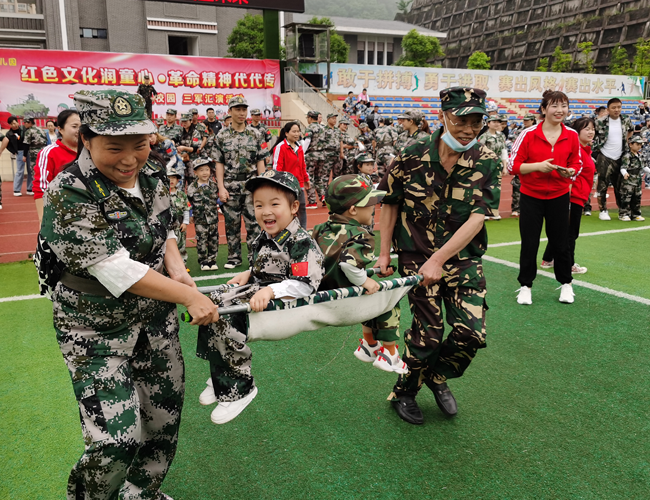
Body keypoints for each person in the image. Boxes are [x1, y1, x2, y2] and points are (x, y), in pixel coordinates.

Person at [40, 89, 219, 500]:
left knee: (161, 423)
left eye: (139, 145)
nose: (128, 159)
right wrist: (186, 295)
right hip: (95, 332)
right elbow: (115, 269)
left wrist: (176, 264)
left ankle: (141, 494)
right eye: (113, 147)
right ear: (86, 139)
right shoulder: (69, 190)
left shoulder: (153, 174)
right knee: (115, 440)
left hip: (154, 323)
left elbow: (165, 225)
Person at [377, 86, 500, 425]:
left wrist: (440, 259)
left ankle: (436, 375)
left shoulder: (486, 159)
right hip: (416, 257)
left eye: (477, 121)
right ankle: (405, 390)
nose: (469, 129)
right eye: (462, 119)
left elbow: (478, 217)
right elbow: (390, 203)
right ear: (443, 115)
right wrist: (384, 254)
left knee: (471, 334)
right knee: (427, 334)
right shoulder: (411, 153)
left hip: (462, 259)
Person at [196, 170, 324, 424]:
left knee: (226, 312)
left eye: (274, 204)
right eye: (259, 205)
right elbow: (264, 267)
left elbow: (305, 285)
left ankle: (240, 388)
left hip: (283, 300)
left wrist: (270, 291)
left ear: (294, 206)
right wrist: (247, 273)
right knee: (213, 299)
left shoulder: (300, 242)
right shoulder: (264, 237)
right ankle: (222, 369)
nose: (266, 211)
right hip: (260, 289)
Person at [312, 175, 407, 373]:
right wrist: (365, 281)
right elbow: (348, 265)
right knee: (388, 299)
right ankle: (390, 354)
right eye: (370, 203)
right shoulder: (361, 235)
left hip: (320, 296)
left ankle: (369, 345)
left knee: (370, 295)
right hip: (343, 299)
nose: (374, 208)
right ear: (353, 209)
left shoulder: (319, 229)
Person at [508, 90, 581, 305]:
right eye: (554, 106)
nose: (560, 111)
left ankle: (566, 284)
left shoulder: (572, 135)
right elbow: (512, 165)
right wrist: (537, 167)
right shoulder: (528, 134)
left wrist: (570, 172)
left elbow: (577, 163)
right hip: (531, 196)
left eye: (564, 106)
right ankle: (525, 286)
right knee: (529, 243)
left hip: (559, 196)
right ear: (543, 109)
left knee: (561, 243)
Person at [214, 96, 267, 269]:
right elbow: (219, 163)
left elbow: (261, 161)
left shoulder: (256, 134)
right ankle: (234, 258)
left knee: (255, 224)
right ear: (230, 111)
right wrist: (221, 187)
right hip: (230, 186)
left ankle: (255, 258)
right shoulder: (221, 136)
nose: (241, 113)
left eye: (244, 109)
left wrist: (263, 185)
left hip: (252, 186)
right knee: (232, 225)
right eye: (237, 109)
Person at [540, 117, 596, 274]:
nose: (591, 132)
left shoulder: (585, 150)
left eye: (592, 128)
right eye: (587, 129)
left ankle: (548, 259)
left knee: (562, 230)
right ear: (577, 131)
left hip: (578, 196)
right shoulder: (575, 150)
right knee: (570, 233)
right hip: (572, 196)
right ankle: (568, 264)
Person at [33, 110, 80, 221]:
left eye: (82, 126)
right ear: (60, 129)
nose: (79, 130)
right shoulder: (49, 153)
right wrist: (43, 221)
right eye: (75, 126)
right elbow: (41, 188)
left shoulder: (91, 151)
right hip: (61, 214)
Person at [593, 98, 634, 220]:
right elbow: (594, 134)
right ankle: (603, 210)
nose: (617, 110)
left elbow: (631, 131)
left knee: (620, 185)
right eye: (614, 107)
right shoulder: (600, 121)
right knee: (602, 184)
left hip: (621, 155)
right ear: (608, 109)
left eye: (619, 107)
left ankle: (623, 211)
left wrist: (625, 141)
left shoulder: (626, 119)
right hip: (605, 155)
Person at [272, 121, 310, 228]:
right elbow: (277, 168)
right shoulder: (281, 147)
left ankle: (303, 230)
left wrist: (306, 179)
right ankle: (286, 230)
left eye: (298, 131)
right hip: (286, 185)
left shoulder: (300, 148)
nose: (297, 134)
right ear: (286, 133)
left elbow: (302, 165)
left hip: (299, 184)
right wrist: (278, 184)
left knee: (301, 207)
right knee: (288, 209)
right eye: (294, 131)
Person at [187, 158, 221, 270]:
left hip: (213, 219)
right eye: (201, 170)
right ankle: (203, 261)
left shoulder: (214, 186)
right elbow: (189, 203)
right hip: (200, 219)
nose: (205, 173)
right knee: (201, 240)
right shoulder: (192, 188)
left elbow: (218, 200)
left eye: (207, 169)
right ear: (195, 172)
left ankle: (212, 260)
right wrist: (190, 215)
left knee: (213, 240)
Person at [305, 113, 341, 208]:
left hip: (311, 155)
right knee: (319, 178)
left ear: (310, 118)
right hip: (322, 155)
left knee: (310, 177)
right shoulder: (323, 128)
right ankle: (323, 197)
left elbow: (307, 141)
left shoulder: (310, 127)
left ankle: (312, 201)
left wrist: (302, 153)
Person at [478, 115, 508, 220]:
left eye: (498, 122)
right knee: (484, 186)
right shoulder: (483, 137)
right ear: (488, 123)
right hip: (486, 163)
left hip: (497, 162)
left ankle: (494, 211)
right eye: (494, 121)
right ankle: (484, 210)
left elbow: (504, 151)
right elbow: (479, 151)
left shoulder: (501, 136)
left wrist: (505, 166)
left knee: (496, 187)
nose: (496, 123)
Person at [619, 135, 650, 221]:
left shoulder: (640, 156)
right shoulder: (628, 155)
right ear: (630, 144)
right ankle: (624, 213)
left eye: (640, 144)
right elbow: (623, 167)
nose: (639, 146)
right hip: (628, 180)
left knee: (637, 197)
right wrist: (625, 174)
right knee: (626, 197)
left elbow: (644, 167)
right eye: (637, 144)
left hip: (637, 180)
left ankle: (636, 214)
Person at [511, 114, 536, 217]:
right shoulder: (519, 131)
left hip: (533, 162)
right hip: (521, 161)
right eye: (524, 120)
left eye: (527, 120)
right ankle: (516, 208)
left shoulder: (538, 131)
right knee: (517, 185)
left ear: (533, 120)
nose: (525, 122)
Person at [0, 116, 31, 196]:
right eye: (12, 124)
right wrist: (13, 151)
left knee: (30, 170)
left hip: (28, 151)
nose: (14, 125)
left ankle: (29, 188)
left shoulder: (24, 129)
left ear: (18, 122)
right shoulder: (9, 134)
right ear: (9, 125)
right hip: (19, 152)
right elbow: (7, 145)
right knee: (20, 171)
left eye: (15, 123)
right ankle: (17, 190)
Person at [168, 167, 190, 263]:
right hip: (168, 225)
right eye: (168, 178)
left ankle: (182, 263)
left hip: (180, 225)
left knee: (181, 245)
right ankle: (169, 265)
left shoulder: (182, 195)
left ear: (177, 181)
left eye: (173, 178)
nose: (171, 180)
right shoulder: (162, 195)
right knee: (169, 246)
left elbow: (186, 209)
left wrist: (185, 223)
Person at [177, 113, 202, 180]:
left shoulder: (195, 132)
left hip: (192, 160)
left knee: (192, 180)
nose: (184, 123)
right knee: (181, 180)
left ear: (191, 121)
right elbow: (176, 139)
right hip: (182, 159)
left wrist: (184, 148)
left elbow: (195, 148)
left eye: (186, 121)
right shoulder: (180, 132)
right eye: (183, 121)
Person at [374, 117, 399, 181]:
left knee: (380, 173)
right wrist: (396, 153)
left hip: (379, 152)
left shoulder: (377, 130)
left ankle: (381, 187)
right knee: (391, 171)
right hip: (389, 152)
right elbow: (395, 141)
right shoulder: (392, 129)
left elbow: (374, 143)